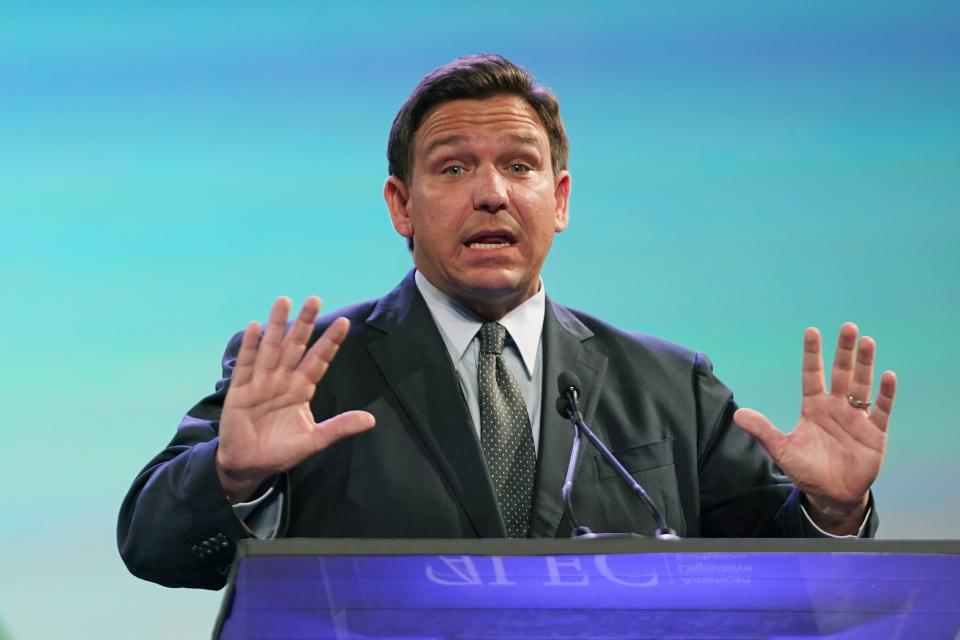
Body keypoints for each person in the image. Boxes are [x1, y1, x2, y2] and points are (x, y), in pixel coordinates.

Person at [117, 54, 897, 590]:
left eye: (519, 165)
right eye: (453, 167)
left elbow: (784, 585)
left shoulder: (669, 385)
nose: (491, 192)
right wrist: (235, 473)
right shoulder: (311, 374)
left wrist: (832, 515)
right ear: (401, 206)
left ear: (558, 200)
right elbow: (153, 545)